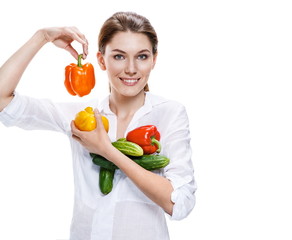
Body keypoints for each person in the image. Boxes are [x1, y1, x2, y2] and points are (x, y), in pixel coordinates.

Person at [0, 12, 196, 240]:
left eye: (142, 57)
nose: (131, 68)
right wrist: (41, 36)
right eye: (119, 56)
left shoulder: (170, 113)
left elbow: (180, 202)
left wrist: (108, 151)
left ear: (154, 59)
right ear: (102, 60)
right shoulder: (81, 117)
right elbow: (2, 101)